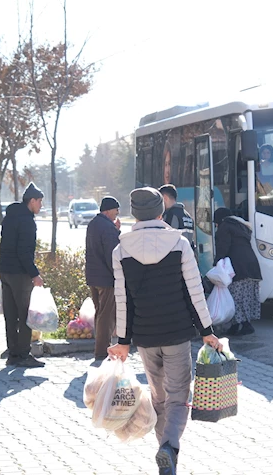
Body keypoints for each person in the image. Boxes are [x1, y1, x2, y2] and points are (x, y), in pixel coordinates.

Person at [108, 187, 222, 475]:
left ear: (134, 214)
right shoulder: (179, 243)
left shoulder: (121, 251)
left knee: (159, 398)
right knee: (179, 396)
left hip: (145, 338)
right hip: (177, 334)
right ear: (161, 212)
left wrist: (123, 341)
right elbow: (194, 291)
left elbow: (123, 300)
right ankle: (168, 449)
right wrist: (207, 330)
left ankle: (165, 456)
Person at [0, 183, 46, 368]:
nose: (41, 205)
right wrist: (35, 274)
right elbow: (24, 252)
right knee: (25, 315)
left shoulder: (9, 218)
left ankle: (13, 354)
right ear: (31, 201)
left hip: (5, 272)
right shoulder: (27, 221)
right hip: (19, 274)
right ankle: (24, 354)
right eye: (39, 201)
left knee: (10, 316)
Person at [213, 207, 262, 336]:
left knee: (235, 297)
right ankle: (236, 325)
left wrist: (216, 264)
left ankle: (246, 325)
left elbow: (223, 247)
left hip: (238, 267)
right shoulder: (240, 227)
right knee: (246, 296)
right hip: (251, 266)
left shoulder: (225, 227)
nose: (216, 225)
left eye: (216, 222)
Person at [85, 195, 122, 360]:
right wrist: (119, 275)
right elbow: (112, 253)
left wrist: (116, 230)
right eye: (115, 210)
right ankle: (101, 352)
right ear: (108, 210)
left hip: (93, 276)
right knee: (106, 315)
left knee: (100, 313)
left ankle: (101, 347)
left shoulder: (94, 223)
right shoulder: (107, 228)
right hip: (106, 278)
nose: (117, 213)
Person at [158, 184, 194, 248]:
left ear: (165, 198)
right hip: (187, 254)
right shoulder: (188, 216)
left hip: (176, 256)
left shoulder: (170, 215)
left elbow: (166, 241)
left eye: (160, 199)